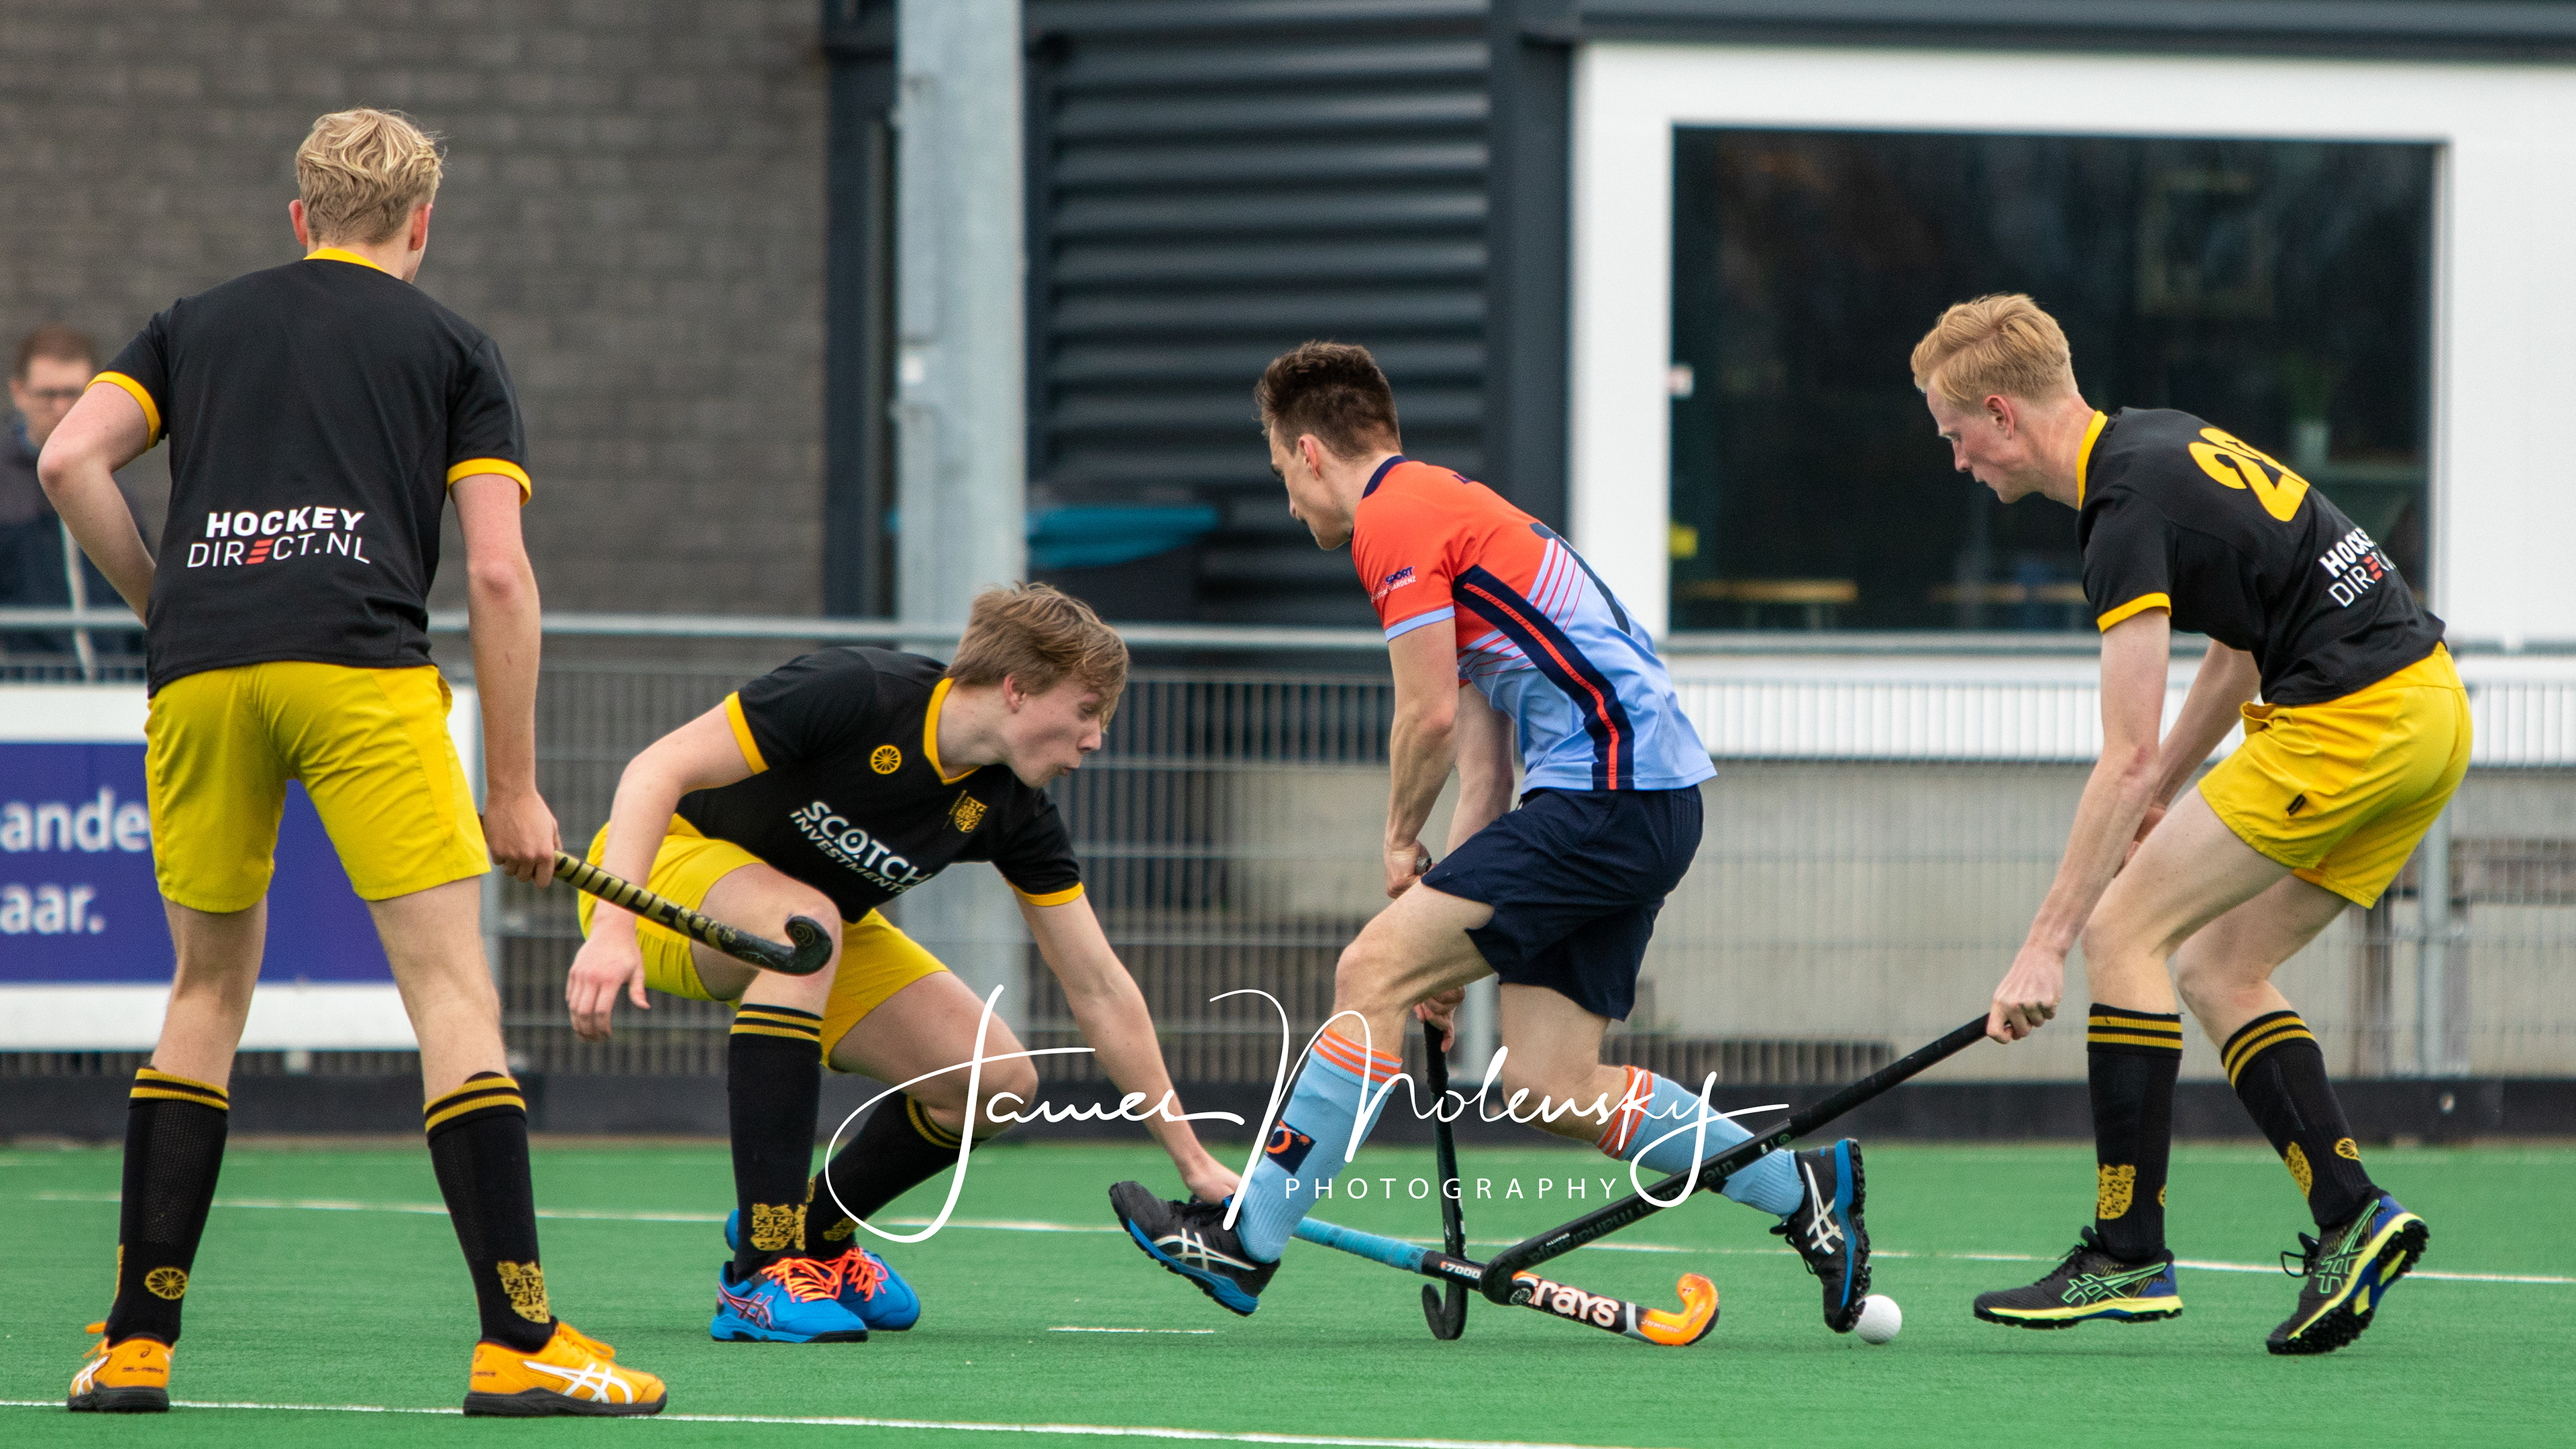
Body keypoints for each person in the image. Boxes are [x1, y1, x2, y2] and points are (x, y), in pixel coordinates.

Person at [40, 108, 663, 1414]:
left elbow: (68, 459)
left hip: (204, 677)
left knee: (205, 993)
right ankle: (521, 1342)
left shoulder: (192, 324)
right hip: (359, 672)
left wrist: (170, 604)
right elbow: (499, 574)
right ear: (421, 225)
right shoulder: (453, 348)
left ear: (300, 216)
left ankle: (135, 1344)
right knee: (452, 996)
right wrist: (514, 788)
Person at [1106, 341, 1873, 1331]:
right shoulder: (1452, 513)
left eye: (1279, 474)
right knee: (1553, 1082)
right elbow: (1484, 767)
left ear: (1308, 453)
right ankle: (1807, 1192)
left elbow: (1424, 716)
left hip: (1607, 797)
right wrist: (1448, 941)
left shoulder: (1394, 520)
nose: (1290, 505)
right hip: (1639, 801)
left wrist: (1397, 841)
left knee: (1369, 972)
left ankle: (1247, 1243)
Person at [1913, 294, 2451, 1354]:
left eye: (1956, 435)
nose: (1958, 459)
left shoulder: (2119, 514)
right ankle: (2354, 1215)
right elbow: (2241, 647)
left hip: (2348, 719)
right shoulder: (2158, 442)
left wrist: (2044, 944)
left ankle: (2127, 1255)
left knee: (2122, 934)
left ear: (2001, 414)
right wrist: (2168, 784)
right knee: (2218, 966)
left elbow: (2120, 754)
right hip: (2429, 711)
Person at [564, 582, 1242, 1344]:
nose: (1096, 740)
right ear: (1018, 688)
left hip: (810, 931)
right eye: (1087, 711)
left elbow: (1100, 986)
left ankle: (817, 1236)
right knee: (809, 926)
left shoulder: (1013, 809)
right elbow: (655, 769)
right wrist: (612, 926)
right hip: (658, 878)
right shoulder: (856, 691)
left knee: (996, 1082)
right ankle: (760, 1272)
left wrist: (1193, 1162)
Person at [3, 323, 130, 658]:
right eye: (48, 395)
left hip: (116, 679)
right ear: (19, 392)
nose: (61, 408)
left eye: (73, 394)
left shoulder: (113, 478)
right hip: (24, 682)